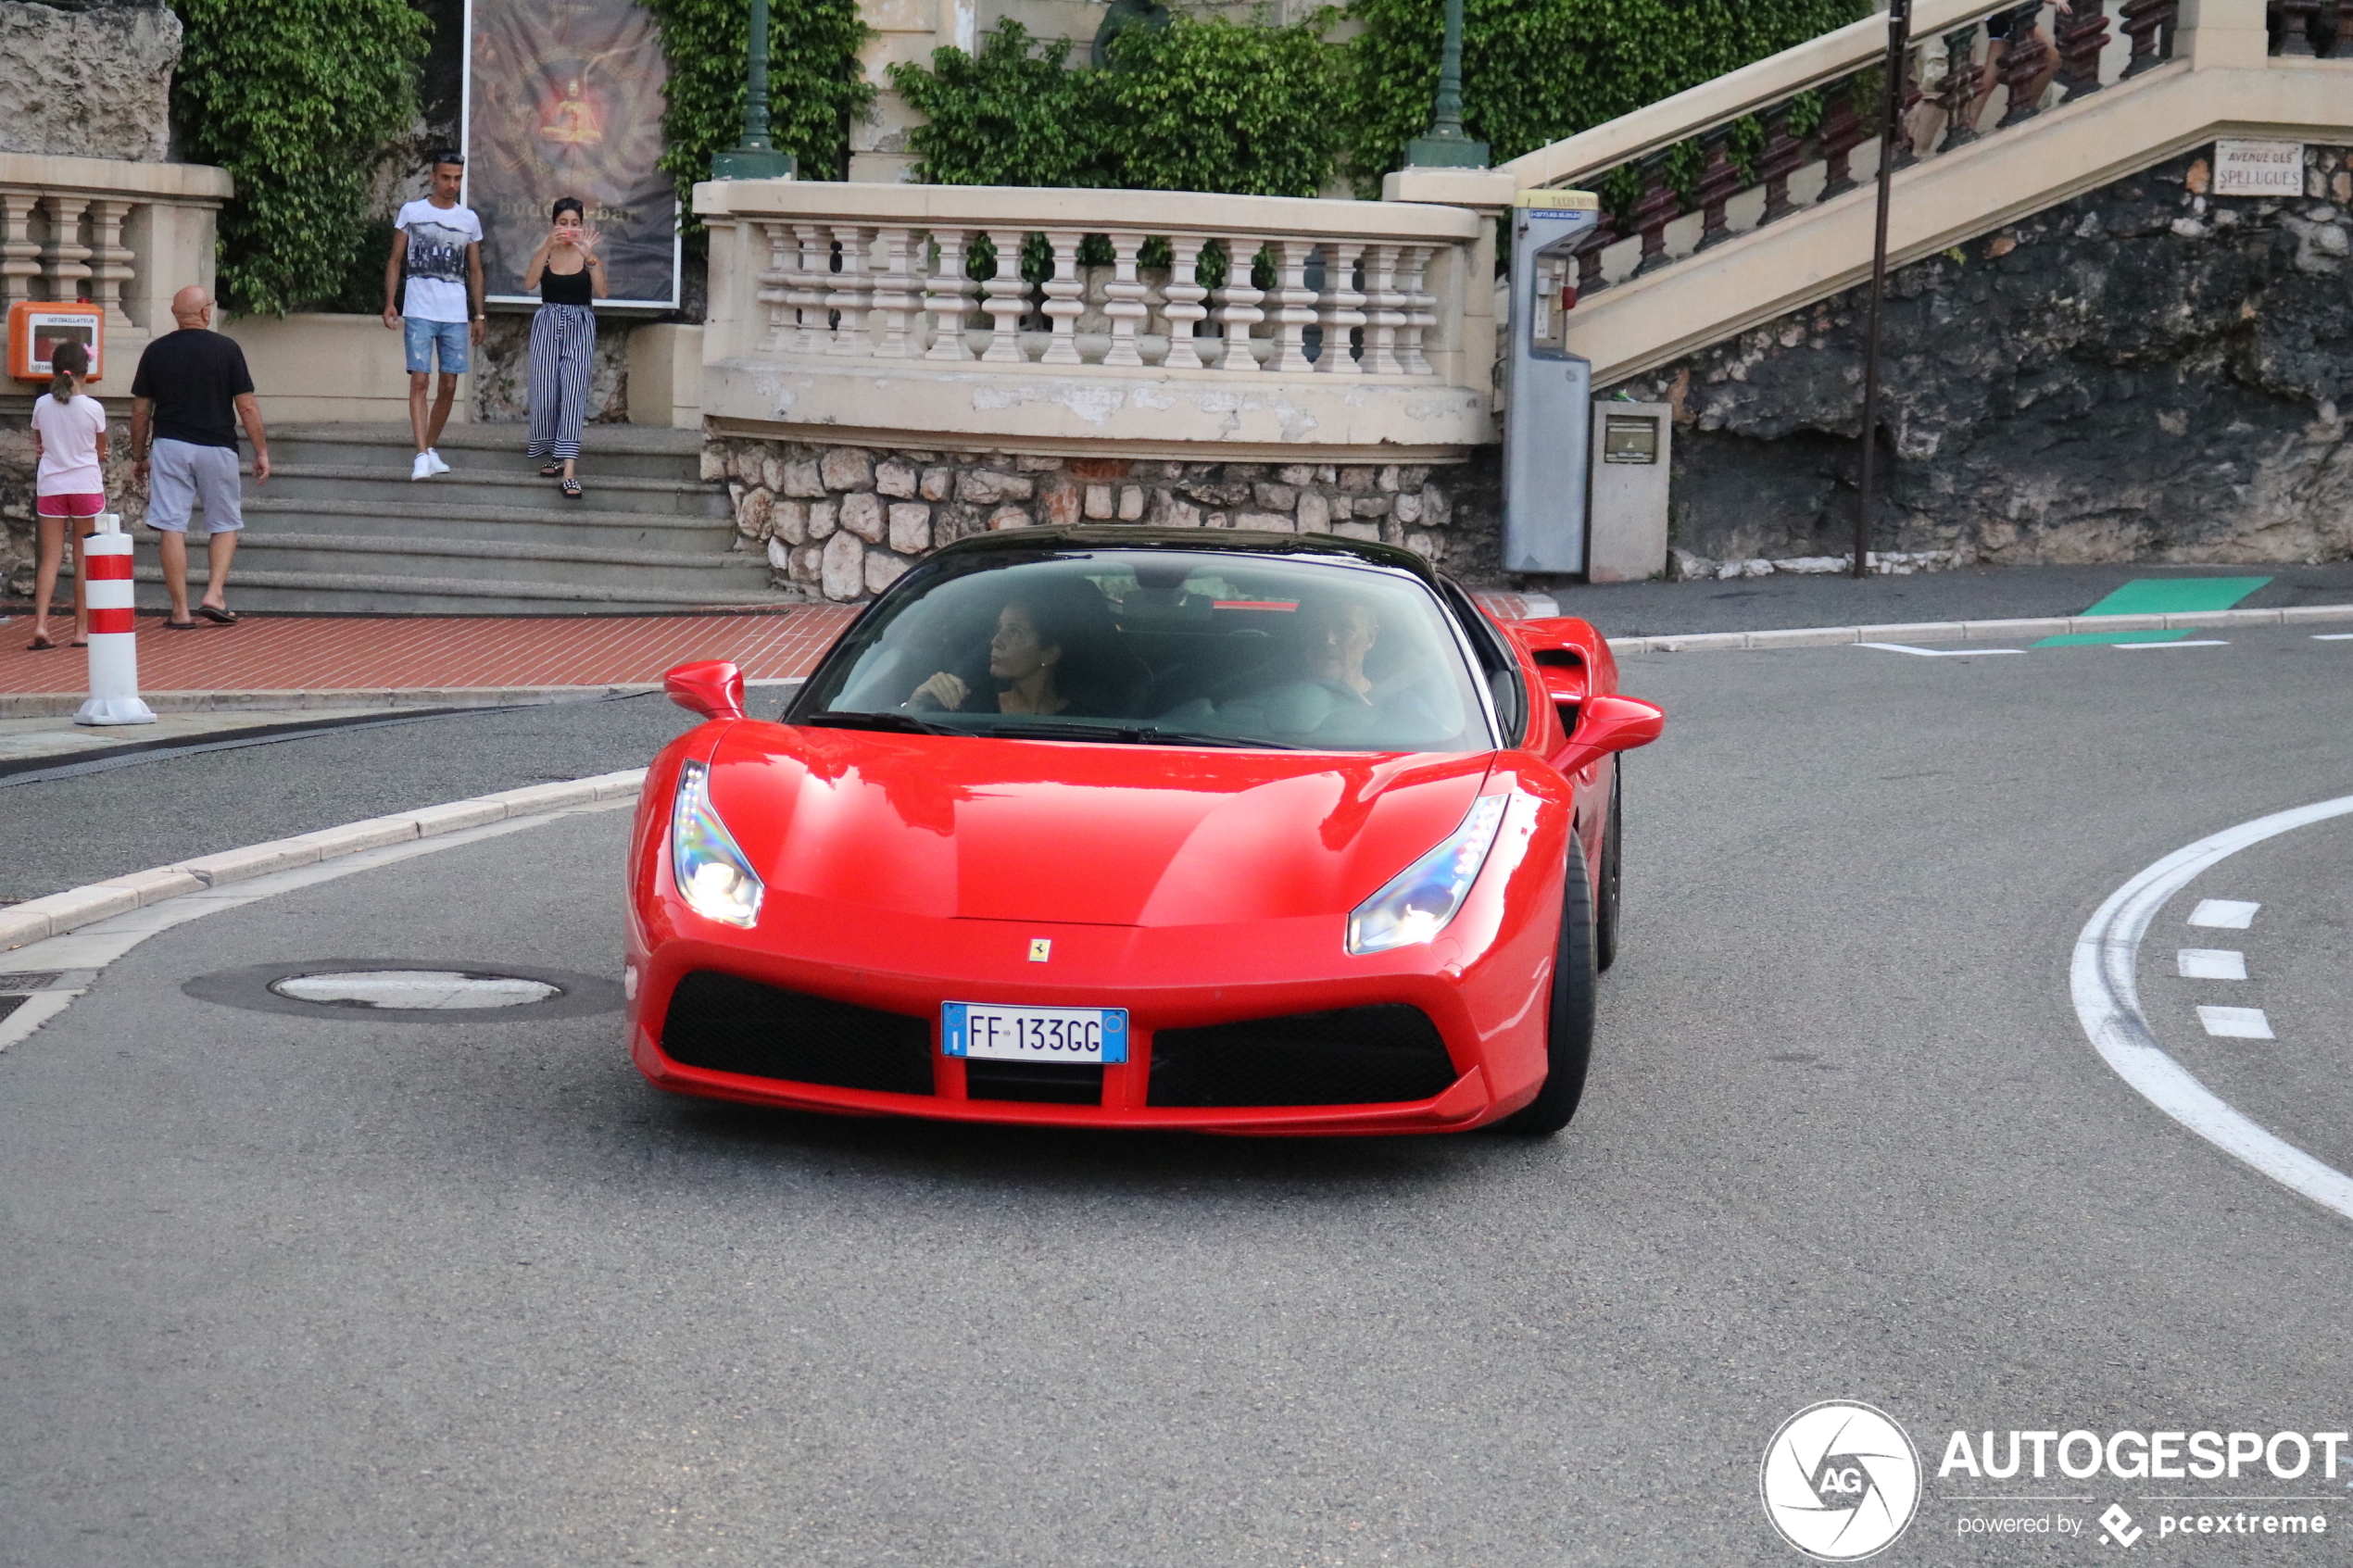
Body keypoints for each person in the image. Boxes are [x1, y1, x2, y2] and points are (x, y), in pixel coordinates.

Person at [129, 286, 271, 629]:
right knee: (225, 523)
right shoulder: (227, 349)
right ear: (206, 312)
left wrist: (139, 455)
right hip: (217, 446)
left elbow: (140, 410)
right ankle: (214, 594)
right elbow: (247, 406)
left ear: (176, 314)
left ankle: (179, 611)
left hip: (170, 445)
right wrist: (261, 451)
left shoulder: (155, 351)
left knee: (171, 525)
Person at [382, 151, 485, 482]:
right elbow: (396, 260)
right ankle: (422, 453)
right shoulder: (412, 212)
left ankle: (430, 448)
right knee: (420, 379)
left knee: (450, 384)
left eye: (457, 178)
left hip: (455, 313)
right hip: (419, 309)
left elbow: (475, 269)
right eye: (446, 177)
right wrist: (390, 302)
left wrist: (479, 314)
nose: (452, 184)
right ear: (433, 176)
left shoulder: (468, 219)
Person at [520, 197, 607, 498]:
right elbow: (529, 283)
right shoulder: (544, 254)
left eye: (574, 224)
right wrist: (546, 245)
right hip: (547, 324)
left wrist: (590, 258)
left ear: (582, 226)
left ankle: (569, 471)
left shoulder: (588, 255)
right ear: (554, 224)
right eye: (563, 223)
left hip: (580, 325)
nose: (568, 229)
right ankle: (554, 454)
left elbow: (603, 292)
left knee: (573, 395)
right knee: (545, 394)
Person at [24, 340, 107, 650]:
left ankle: (42, 625)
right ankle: (80, 630)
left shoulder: (41, 405)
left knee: (50, 558)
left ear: (54, 369)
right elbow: (101, 450)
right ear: (86, 372)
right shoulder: (93, 408)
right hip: (85, 486)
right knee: (82, 558)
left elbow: (40, 444)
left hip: (52, 486)